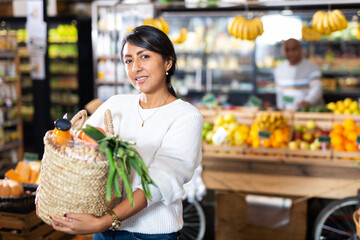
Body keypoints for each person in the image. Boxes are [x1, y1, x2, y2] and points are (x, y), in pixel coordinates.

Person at [42, 25, 203, 239]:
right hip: (105, 231)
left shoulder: (186, 116)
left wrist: (105, 221)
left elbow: (161, 181)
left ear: (168, 62)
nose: (135, 68)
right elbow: (77, 149)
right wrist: (43, 193)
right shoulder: (116, 106)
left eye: (144, 56)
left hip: (150, 234)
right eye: (128, 60)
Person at [273, 38, 323, 110]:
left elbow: (317, 89)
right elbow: (280, 93)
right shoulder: (279, 70)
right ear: (283, 51)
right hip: (288, 114)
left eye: (294, 49)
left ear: (300, 49)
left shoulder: (312, 67)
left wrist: (307, 101)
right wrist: (280, 108)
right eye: (287, 50)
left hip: (309, 113)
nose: (291, 53)